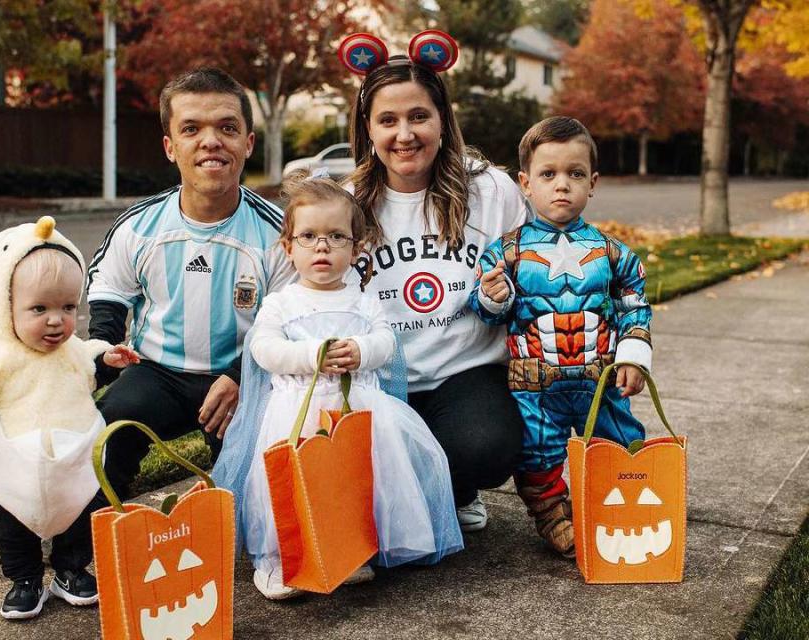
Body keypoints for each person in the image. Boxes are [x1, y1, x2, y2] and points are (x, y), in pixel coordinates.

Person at [212, 173, 462, 600]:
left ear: (356, 248)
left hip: (360, 410)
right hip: (296, 411)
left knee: (354, 482)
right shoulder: (281, 303)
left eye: (336, 236)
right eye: (308, 236)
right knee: (295, 485)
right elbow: (264, 349)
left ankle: (349, 549)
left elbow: (387, 342)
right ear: (288, 247)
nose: (322, 246)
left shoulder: (363, 300)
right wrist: (311, 356)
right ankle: (277, 559)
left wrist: (363, 350)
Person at [86, 68, 293, 500]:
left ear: (248, 143)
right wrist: (104, 351)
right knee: (104, 435)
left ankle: (255, 534)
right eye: (191, 129)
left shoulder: (279, 235)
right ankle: (82, 552)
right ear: (170, 146)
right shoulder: (138, 227)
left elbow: (291, 318)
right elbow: (108, 291)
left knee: (258, 481)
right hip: (156, 371)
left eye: (228, 128)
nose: (211, 141)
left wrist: (241, 376)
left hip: (239, 374)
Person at [0, 216, 139, 619]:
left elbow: (91, 369)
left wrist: (110, 360)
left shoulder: (71, 350)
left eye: (67, 307)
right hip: (14, 466)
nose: (56, 320)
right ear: (3, 306)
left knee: (80, 517)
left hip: (74, 460)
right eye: (39, 308)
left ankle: (71, 570)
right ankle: (24, 581)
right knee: (13, 528)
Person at [348, 52, 530, 532]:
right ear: (368, 128)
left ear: (443, 121)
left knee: (486, 447)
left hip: (463, 375)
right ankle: (425, 487)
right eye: (388, 120)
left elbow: (530, 279)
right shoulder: (345, 204)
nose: (404, 134)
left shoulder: (492, 191)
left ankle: (456, 486)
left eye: (418, 116)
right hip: (380, 380)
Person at [469, 116, 653, 557]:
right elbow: (484, 308)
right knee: (538, 451)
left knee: (622, 442)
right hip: (536, 384)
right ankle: (553, 517)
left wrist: (633, 356)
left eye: (574, 174)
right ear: (525, 183)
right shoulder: (506, 252)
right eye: (548, 175)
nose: (562, 186)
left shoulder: (613, 252)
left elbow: (634, 305)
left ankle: (615, 509)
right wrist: (493, 296)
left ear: (593, 183)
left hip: (601, 380)